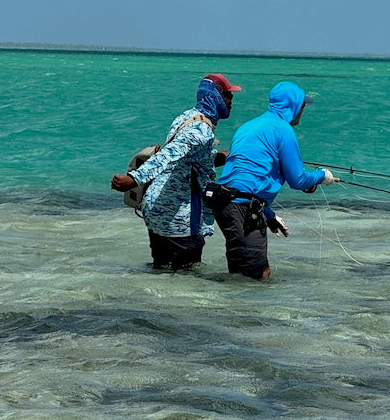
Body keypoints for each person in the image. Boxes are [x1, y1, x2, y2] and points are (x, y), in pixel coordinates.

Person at [111, 73, 241, 270]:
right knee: (186, 280)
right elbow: (167, 155)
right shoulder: (201, 131)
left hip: (157, 210)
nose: (231, 101)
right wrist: (133, 179)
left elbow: (185, 156)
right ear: (215, 96)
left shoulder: (188, 117)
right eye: (228, 95)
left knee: (161, 272)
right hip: (179, 218)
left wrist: (224, 155)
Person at [213, 80, 337, 279]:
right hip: (242, 208)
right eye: (302, 105)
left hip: (226, 203)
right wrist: (323, 176)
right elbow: (298, 180)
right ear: (293, 105)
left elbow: (244, 179)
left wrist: (267, 214)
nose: (303, 110)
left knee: (254, 272)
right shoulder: (283, 130)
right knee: (252, 278)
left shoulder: (249, 126)